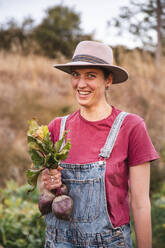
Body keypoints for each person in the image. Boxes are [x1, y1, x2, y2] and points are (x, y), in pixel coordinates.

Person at [40, 41, 159, 248]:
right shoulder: (56, 128)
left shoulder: (131, 127)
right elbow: (48, 193)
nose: (81, 83)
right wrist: (49, 183)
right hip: (59, 242)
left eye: (91, 75)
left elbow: (140, 204)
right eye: (76, 74)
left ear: (108, 80)